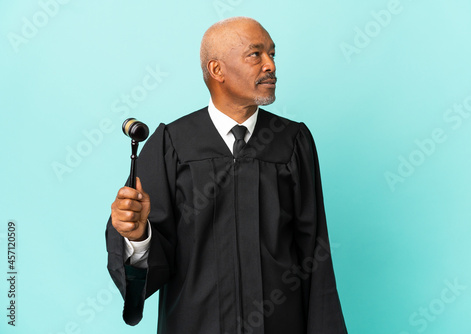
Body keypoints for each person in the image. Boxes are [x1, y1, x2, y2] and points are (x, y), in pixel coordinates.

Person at [106, 16, 348, 334]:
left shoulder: (291, 142)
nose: (270, 66)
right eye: (255, 54)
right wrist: (138, 237)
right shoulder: (172, 145)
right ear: (217, 70)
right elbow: (155, 258)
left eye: (272, 54)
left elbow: (314, 253)